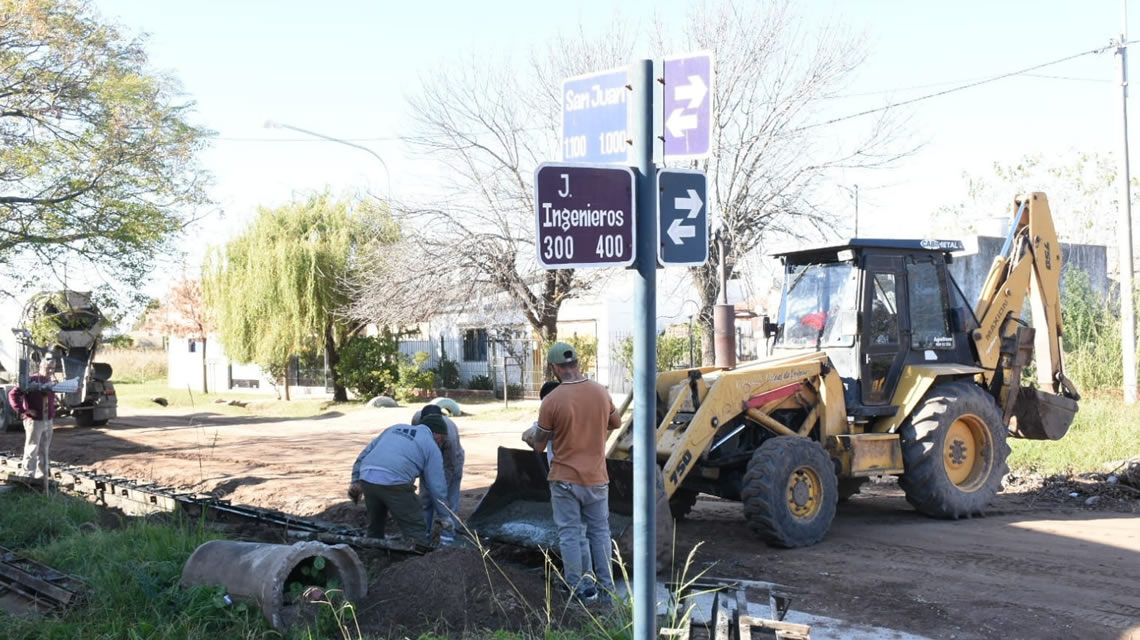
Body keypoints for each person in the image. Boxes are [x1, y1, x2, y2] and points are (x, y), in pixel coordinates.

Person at [524, 342, 621, 603]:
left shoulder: (552, 400)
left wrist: (531, 437)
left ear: (555, 368)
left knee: (570, 533)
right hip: (597, 478)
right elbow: (615, 422)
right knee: (600, 532)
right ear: (577, 363)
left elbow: (540, 445)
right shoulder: (600, 392)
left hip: (565, 479)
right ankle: (607, 589)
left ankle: (579, 589)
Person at [348, 413, 449, 547]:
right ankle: (420, 559)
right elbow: (437, 486)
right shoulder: (431, 445)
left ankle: (372, 553)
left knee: (375, 523)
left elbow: (365, 454)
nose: (441, 444)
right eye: (442, 440)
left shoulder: (395, 428)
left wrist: (355, 480)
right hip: (394, 482)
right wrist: (445, 516)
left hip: (367, 477)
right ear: (436, 434)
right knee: (415, 525)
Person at [410, 403, 464, 544]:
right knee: (425, 499)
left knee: (448, 501)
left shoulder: (449, 435)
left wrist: (439, 490)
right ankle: (423, 535)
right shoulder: (416, 420)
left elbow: (449, 466)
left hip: (452, 462)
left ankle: (448, 537)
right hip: (427, 460)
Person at [8, 354, 57, 479]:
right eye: (48, 368)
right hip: (34, 421)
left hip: (48, 420)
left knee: (44, 449)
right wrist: (24, 410)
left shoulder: (50, 381)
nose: (50, 371)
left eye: (53, 368)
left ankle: (42, 477)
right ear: (40, 367)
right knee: (32, 449)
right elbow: (13, 394)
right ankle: (28, 475)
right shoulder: (31, 380)